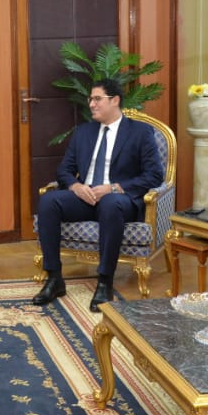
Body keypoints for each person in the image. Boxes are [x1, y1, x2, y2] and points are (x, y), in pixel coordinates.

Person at [34, 78, 164, 312]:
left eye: (97, 99)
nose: (91, 104)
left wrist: (114, 187)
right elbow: (64, 170)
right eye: (90, 99)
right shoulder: (84, 132)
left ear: (115, 100)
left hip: (119, 200)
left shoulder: (140, 132)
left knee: (110, 204)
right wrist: (76, 187)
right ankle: (54, 278)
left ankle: (105, 282)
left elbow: (154, 175)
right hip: (85, 197)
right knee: (48, 201)